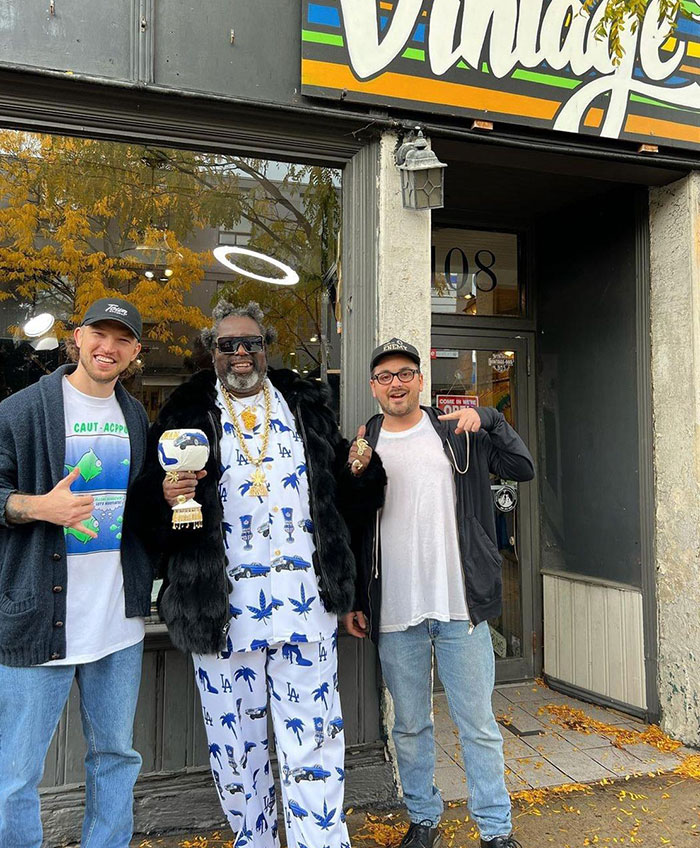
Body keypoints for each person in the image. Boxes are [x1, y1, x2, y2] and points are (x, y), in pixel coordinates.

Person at [131, 299, 384, 848]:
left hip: (305, 607)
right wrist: (163, 497)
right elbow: (148, 514)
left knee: (315, 745)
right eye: (228, 345)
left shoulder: (305, 403)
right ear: (212, 353)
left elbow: (343, 493)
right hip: (220, 614)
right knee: (236, 753)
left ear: (266, 349)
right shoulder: (183, 413)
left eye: (252, 343)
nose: (241, 354)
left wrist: (362, 470)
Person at [343, 338, 535, 848]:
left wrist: (491, 419)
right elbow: (354, 528)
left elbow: (523, 468)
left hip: (459, 606)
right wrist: (356, 598)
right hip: (395, 609)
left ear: (420, 381)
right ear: (373, 387)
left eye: (405, 373)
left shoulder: (457, 433)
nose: (396, 383)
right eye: (385, 376)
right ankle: (423, 819)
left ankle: (496, 831)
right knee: (409, 726)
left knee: (477, 724)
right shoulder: (364, 444)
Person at [0, 297, 152, 848]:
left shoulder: (135, 416)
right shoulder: (22, 410)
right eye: (99, 335)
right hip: (40, 618)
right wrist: (39, 507)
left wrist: (168, 494)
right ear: (78, 337)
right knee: (16, 772)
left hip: (117, 624)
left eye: (122, 340)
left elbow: (137, 511)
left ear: (135, 352)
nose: (108, 348)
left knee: (116, 756)